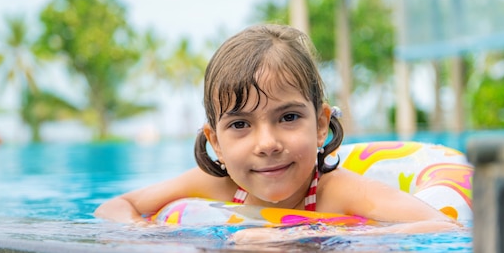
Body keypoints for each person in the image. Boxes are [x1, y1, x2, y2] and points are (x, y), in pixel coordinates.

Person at [95, 24, 458, 234]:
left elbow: (442, 226)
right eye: (240, 124)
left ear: (319, 124)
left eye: (287, 118)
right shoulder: (216, 186)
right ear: (215, 142)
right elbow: (115, 206)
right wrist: (146, 236)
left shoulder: (339, 192)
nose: (267, 144)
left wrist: (308, 237)